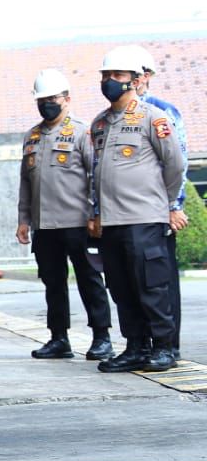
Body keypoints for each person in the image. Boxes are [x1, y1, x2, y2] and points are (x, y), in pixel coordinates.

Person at [89, 47, 187, 373]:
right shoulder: (100, 124)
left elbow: (175, 164)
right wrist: (96, 212)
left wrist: (165, 203)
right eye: (106, 76)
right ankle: (134, 347)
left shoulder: (152, 117)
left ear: (134, 79)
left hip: (144, 218)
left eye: (116, 76)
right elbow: (96, 172)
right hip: (112, 222)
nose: (109, 81)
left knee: (152, 287)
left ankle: (163, 348)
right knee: (121, 288)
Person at [15, 68, 113, 360]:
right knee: (52, 283)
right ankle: (59, 338)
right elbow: (25, 182)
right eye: (41, 99)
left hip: (78, 223)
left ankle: (101, 337)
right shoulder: (31, 136)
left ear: (67, 99)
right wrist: (23, 219)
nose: (46, 104)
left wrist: (97, 214)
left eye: (52, 98)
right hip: (44, 225)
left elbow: (97, 177)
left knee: (89, 280)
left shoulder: (83, 132)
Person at [130, 46, 189, 359]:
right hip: (128, 215)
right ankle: (140, 344)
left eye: (136, 75)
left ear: (147, 77)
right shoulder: (112, 118)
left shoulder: (163, 112)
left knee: (161, 281)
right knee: (133, 282)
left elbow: (177, 162)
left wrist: (174, 205)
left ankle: (169, 345)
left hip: (159, 211)